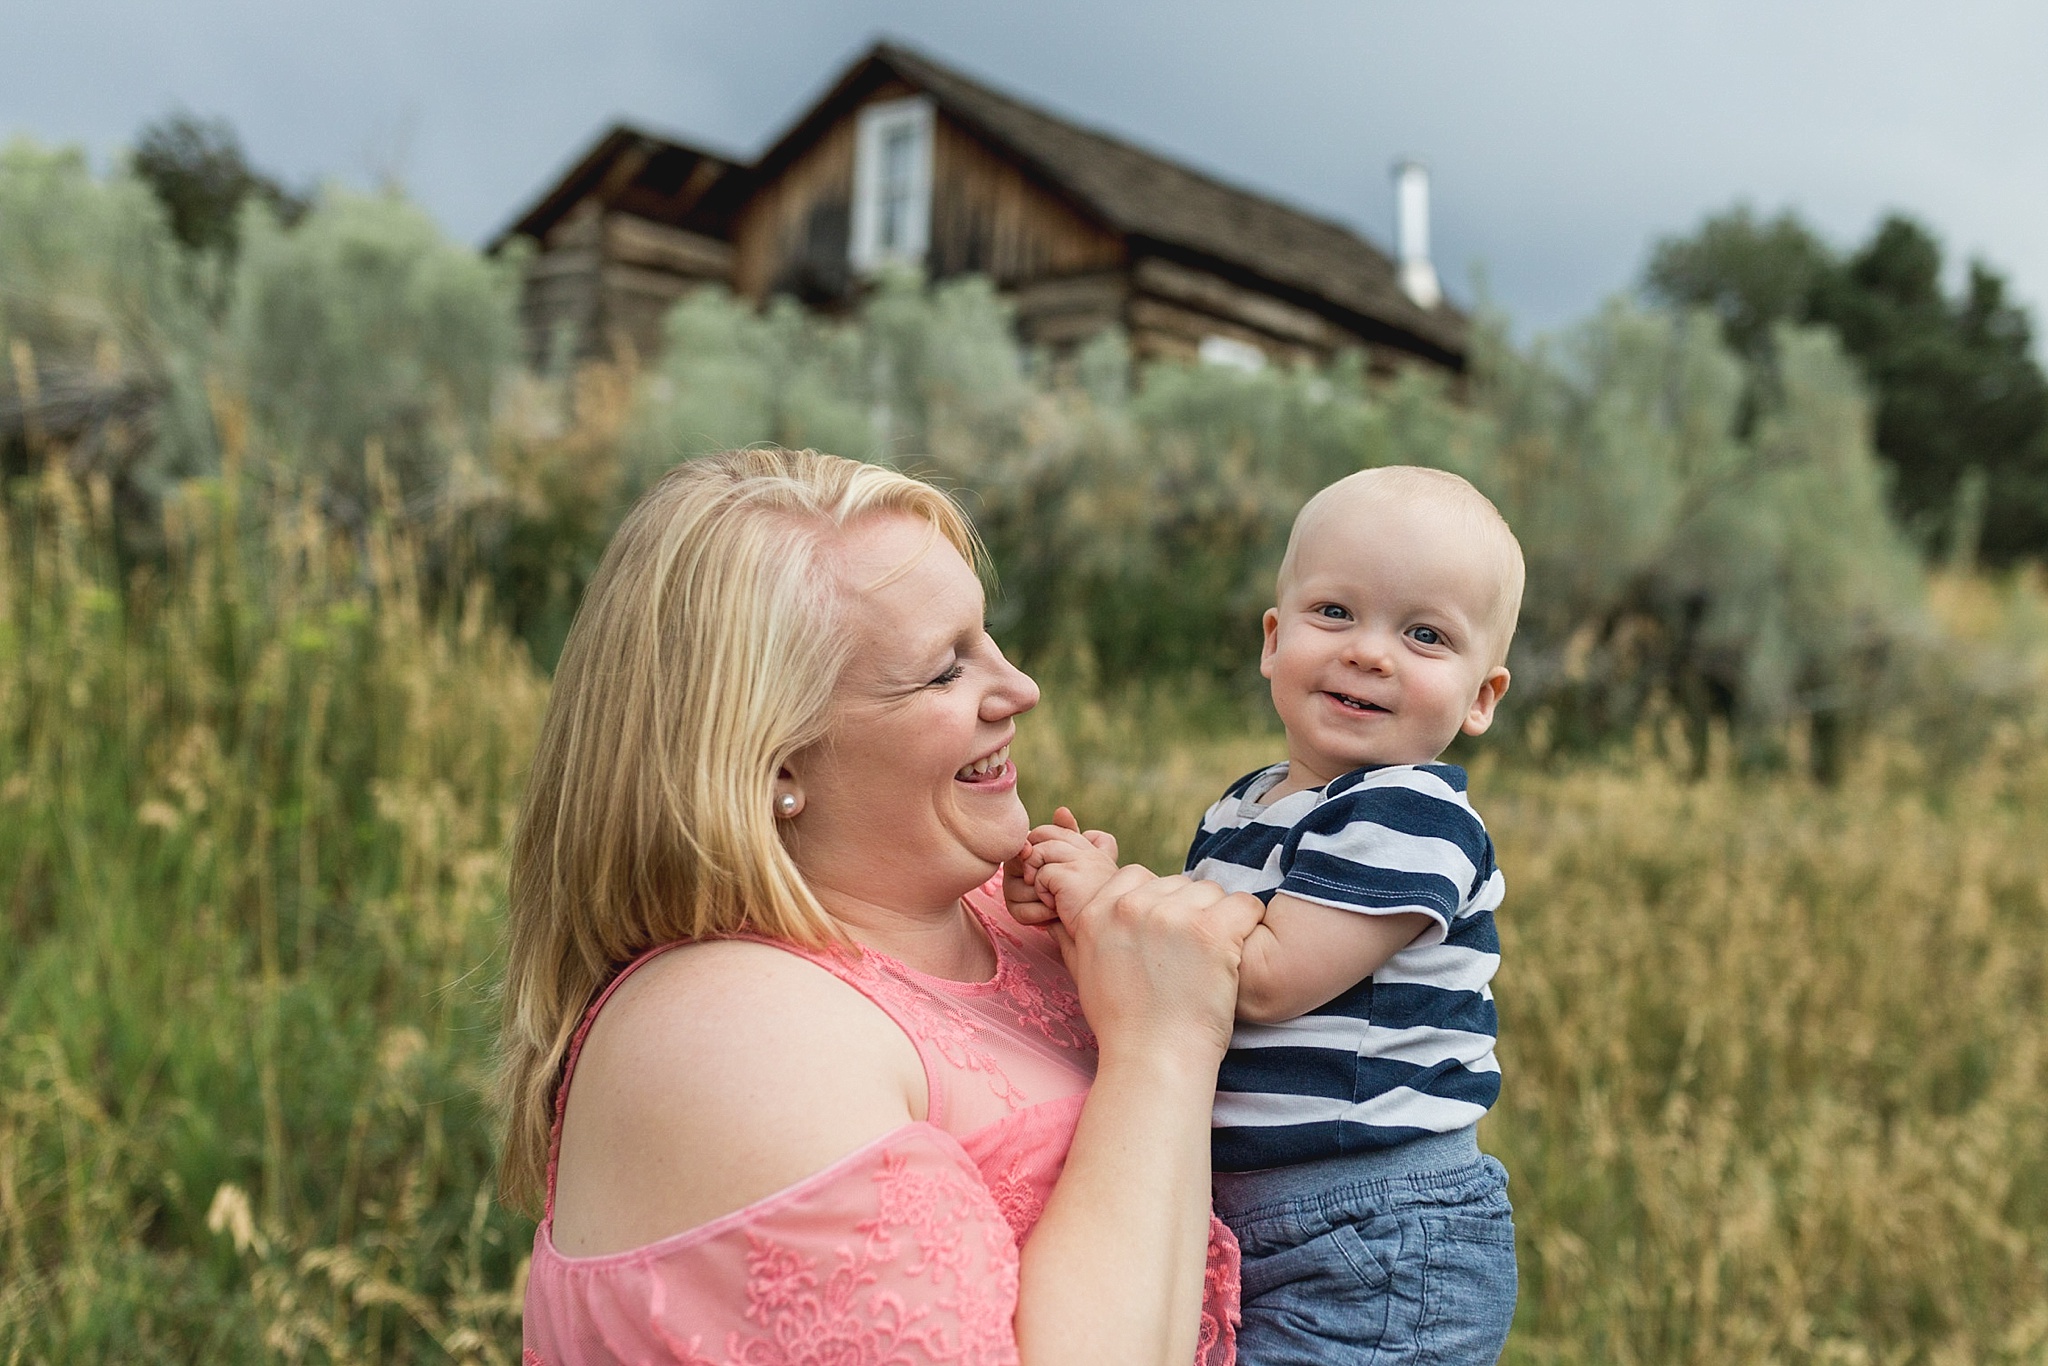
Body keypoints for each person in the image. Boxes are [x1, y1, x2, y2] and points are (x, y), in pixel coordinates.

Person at [498, 447, 1259, 1366]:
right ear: (777, 763)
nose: (1021, 690)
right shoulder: (733, 1038)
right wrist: (1160, 1046)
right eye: (946, 672)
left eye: (991, 640)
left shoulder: (1001, 908)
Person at [1018, 465, 1523, 1364]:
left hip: (1377, 1231)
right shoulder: (1246, 807)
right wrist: (1071, 920)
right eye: (1335, 613)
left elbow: (1268, 977)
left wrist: (1109, 900)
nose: (1370, 652)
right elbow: (1170, 973)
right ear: (1272, 638)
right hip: (1263, 1216)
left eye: (1424, 634)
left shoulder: (1413, 813)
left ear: (1481, 696)